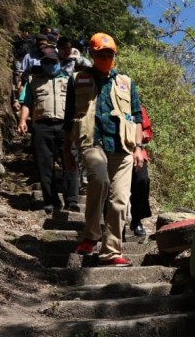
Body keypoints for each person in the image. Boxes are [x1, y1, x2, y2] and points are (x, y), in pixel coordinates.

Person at [63, 32, 144, 267]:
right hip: (92, 143)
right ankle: (90, 235)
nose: (105, 57)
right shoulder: (78, 80)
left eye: (109, 54)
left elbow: (137, 116)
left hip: (123, 147)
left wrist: (138, 147)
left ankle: (111, 251)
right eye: (100, 54)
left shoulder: (126, 82)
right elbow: (69, 120)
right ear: (92, 54)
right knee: (99, 180)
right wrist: (67, 152)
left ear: (115, 55)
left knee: (120, 200)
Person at [17, 47, 80, 214]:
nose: (50, 64)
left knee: (70, 162)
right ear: (42, 63)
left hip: (65, 127)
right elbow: (26, 103)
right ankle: (51, 201)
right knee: (45, 166)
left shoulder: (69, 80)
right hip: (41, 126)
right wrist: (23, 120)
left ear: (58, 62)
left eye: (53, 61)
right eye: (46, 62)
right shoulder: (33, 80)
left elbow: (78, 105)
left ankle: (72, 200)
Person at [129, 105, 153, 236]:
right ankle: (115, 225)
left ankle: (137, 219)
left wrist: (137, 136)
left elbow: (148, 132)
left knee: (142, 180)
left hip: (138, 152)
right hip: (116, 152)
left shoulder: (138, 107)